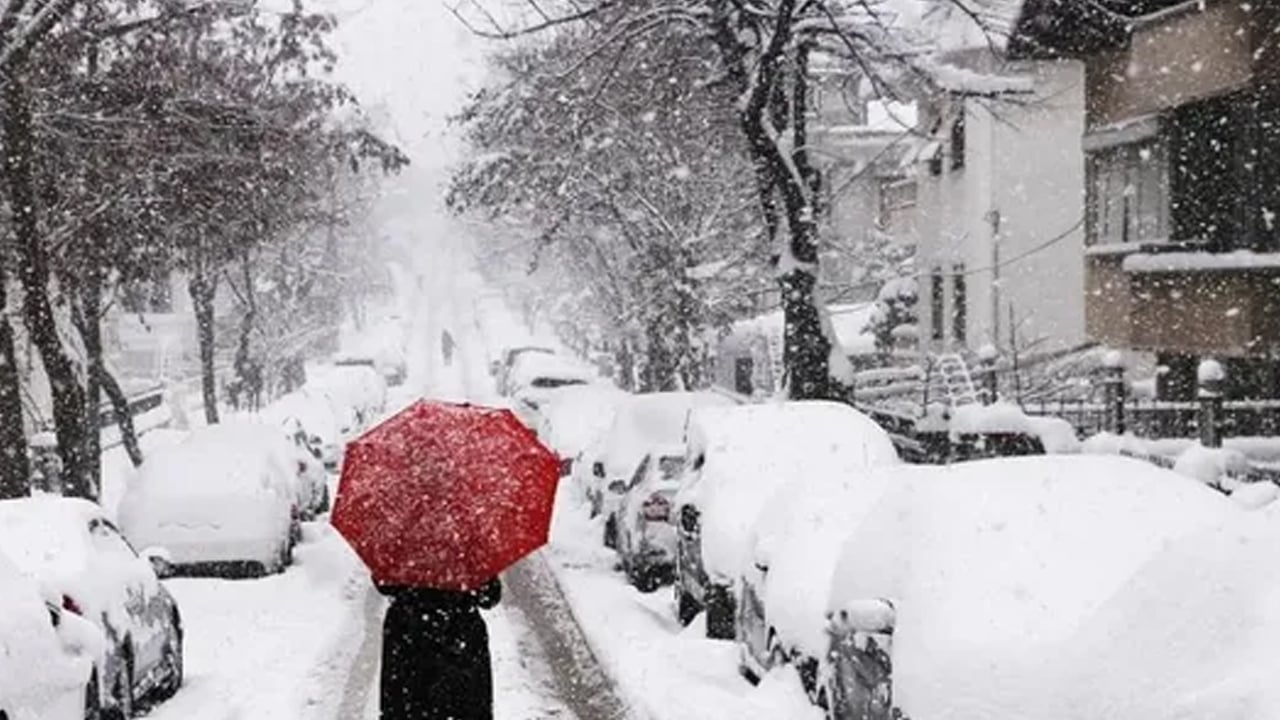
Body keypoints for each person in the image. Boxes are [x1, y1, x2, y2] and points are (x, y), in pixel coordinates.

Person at [378, 578, 502, 720]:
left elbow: (384, 585)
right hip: (459, 637)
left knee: (406, 707)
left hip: (409, 636)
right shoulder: (470, 561)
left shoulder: (401, 561)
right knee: (463, 706)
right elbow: (489, 597)